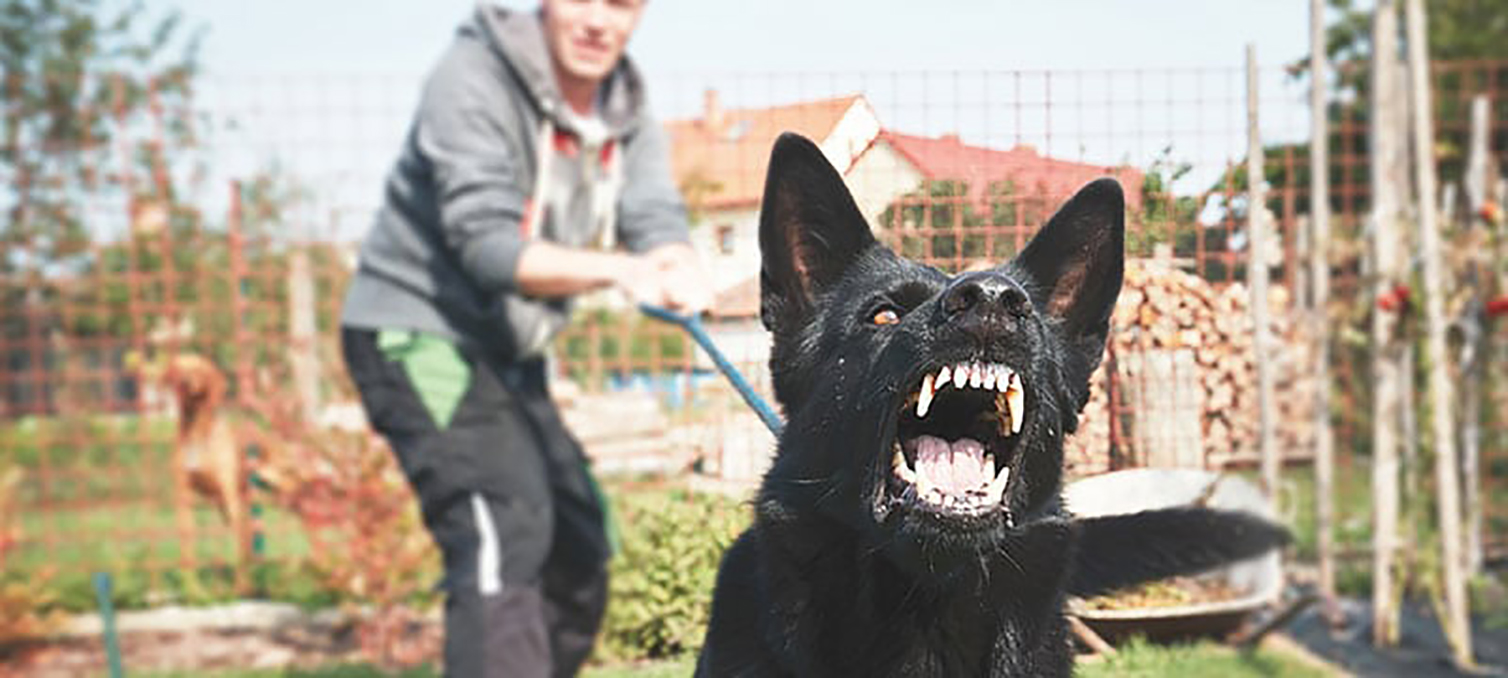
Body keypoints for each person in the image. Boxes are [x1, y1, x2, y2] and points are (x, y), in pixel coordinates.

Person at [339, 1, 705, 675]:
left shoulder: (625, 104)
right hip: (420, 331)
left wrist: (673, 259)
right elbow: (486, 245)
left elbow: (651, 212)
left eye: (621, 3)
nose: (600, 21)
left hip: (511, 348)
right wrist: (621, 271)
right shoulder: (472, 77)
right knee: (502, 530)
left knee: (578, 546)